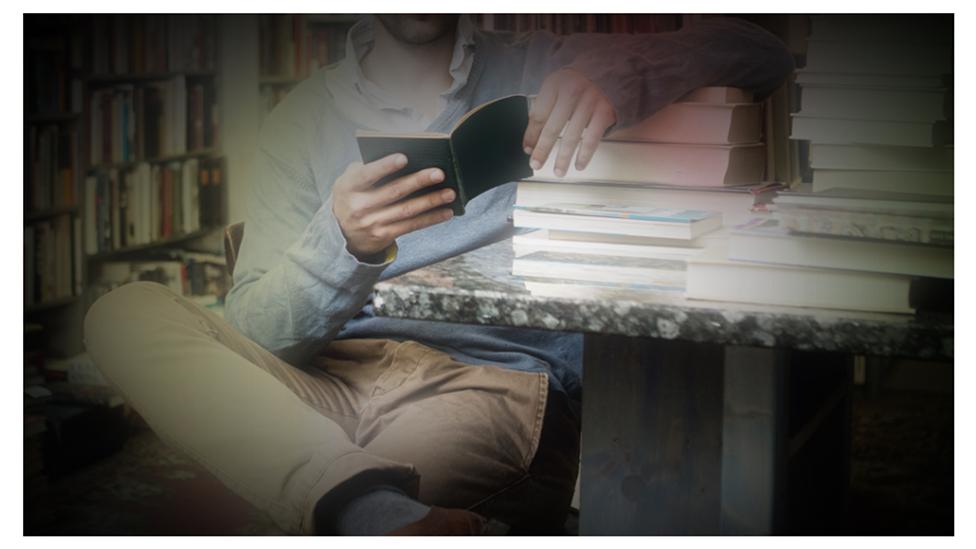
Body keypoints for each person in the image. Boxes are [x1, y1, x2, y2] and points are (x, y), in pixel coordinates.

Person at [85, 14, 793, 535]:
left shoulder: (543, 62)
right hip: (324, 381)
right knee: (119, 314)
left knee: (326, 487)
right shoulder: (293, 124)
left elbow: (763, 51)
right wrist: (341, 243)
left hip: (487, 383)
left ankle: (355, 500)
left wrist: (611, 77)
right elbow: (257, 333)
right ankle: (370, 508)